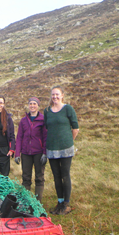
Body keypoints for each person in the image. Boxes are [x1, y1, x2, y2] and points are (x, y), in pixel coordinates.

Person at [43, 86, 79, 215]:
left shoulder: (68, 109)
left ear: (62, 95)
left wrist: (69, 141)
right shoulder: (47, 111)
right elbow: (47, 127)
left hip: (66, 148)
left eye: (57, 94)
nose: (55, 97)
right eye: (53, 95)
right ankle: (59, 202)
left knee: (65, 175)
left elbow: (75, 128)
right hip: (52, 148)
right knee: (56, 176)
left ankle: (67, 205)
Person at [15, 97, 47, 201]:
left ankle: (38, 203)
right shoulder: (24, 120)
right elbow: (19, 137)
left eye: (34, 104)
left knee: (39, 177)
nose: (32, 106)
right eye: (30, 104)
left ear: (38, 106)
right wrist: (17, 154)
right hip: (26, 153)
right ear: (28, 105)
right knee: (26, 178)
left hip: (38, 153)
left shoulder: (43, 119)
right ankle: (27, 202)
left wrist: (44, 153)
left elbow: (46, 137)